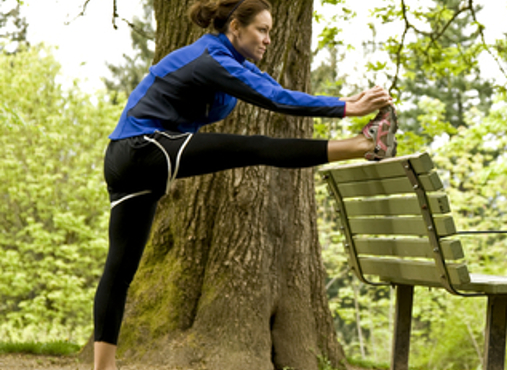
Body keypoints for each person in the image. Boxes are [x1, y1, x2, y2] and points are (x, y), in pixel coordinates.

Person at [92, 0, 397, 368]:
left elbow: (276, 90)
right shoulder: (211, 57)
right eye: (262, 30)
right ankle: (365, 145)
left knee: (120, 271)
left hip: (127, 160)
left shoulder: (236, 65)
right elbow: (276, 100)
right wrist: (349, 108)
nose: (268, 38)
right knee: (256, 147)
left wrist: (348, 101)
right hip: (143, 147)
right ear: (235, 27)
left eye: (269, 31)